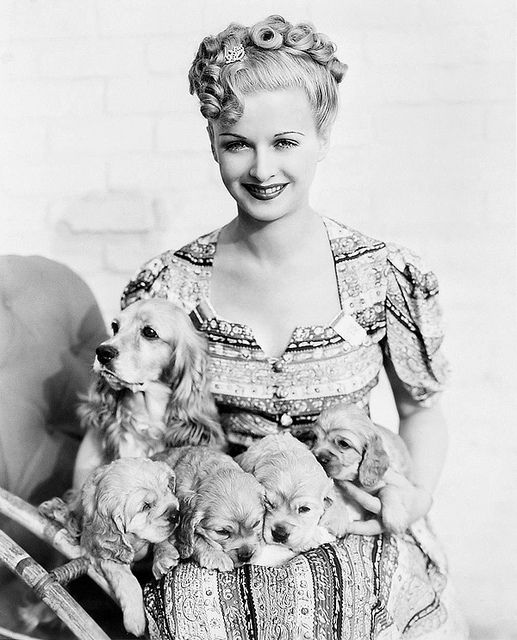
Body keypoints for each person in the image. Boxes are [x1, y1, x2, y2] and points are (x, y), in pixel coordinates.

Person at [122, 15, 468, 639]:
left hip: (348, 520)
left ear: (322, 136)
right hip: (223, 543)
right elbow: (126, 428)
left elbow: (421, 411)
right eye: (237, 144)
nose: (260, 168)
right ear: (212, 142)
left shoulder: (383, 276)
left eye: (284, 142)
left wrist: (412, 497)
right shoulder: (169, 288)